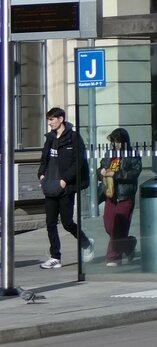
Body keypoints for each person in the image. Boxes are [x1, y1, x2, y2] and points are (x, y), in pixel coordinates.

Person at [37, 106, 95, 269]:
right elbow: (44, 159)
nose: (50, 123)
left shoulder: (74, 138)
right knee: (50, 223)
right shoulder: (49, 138)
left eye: (52, 119)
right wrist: (41, 175)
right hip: (50, 185)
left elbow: (79, 163)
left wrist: (65, 180)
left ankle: (85, 243)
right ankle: (55, 257)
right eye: (48, 119)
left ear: (61, 119)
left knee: (67, 222)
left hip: (65, 187)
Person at [97, 128, 142, 266]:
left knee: (118, 227)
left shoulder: (133, 154)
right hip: (110, 194)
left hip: (125, 194)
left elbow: (134, 173)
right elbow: (100, 169)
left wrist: (115, 175)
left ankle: (113, 257)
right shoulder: (110, 154)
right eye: (115, 142)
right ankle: (128, 243)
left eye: (119, 142)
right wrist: (102, 172)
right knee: (109, 226)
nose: (117, 145)